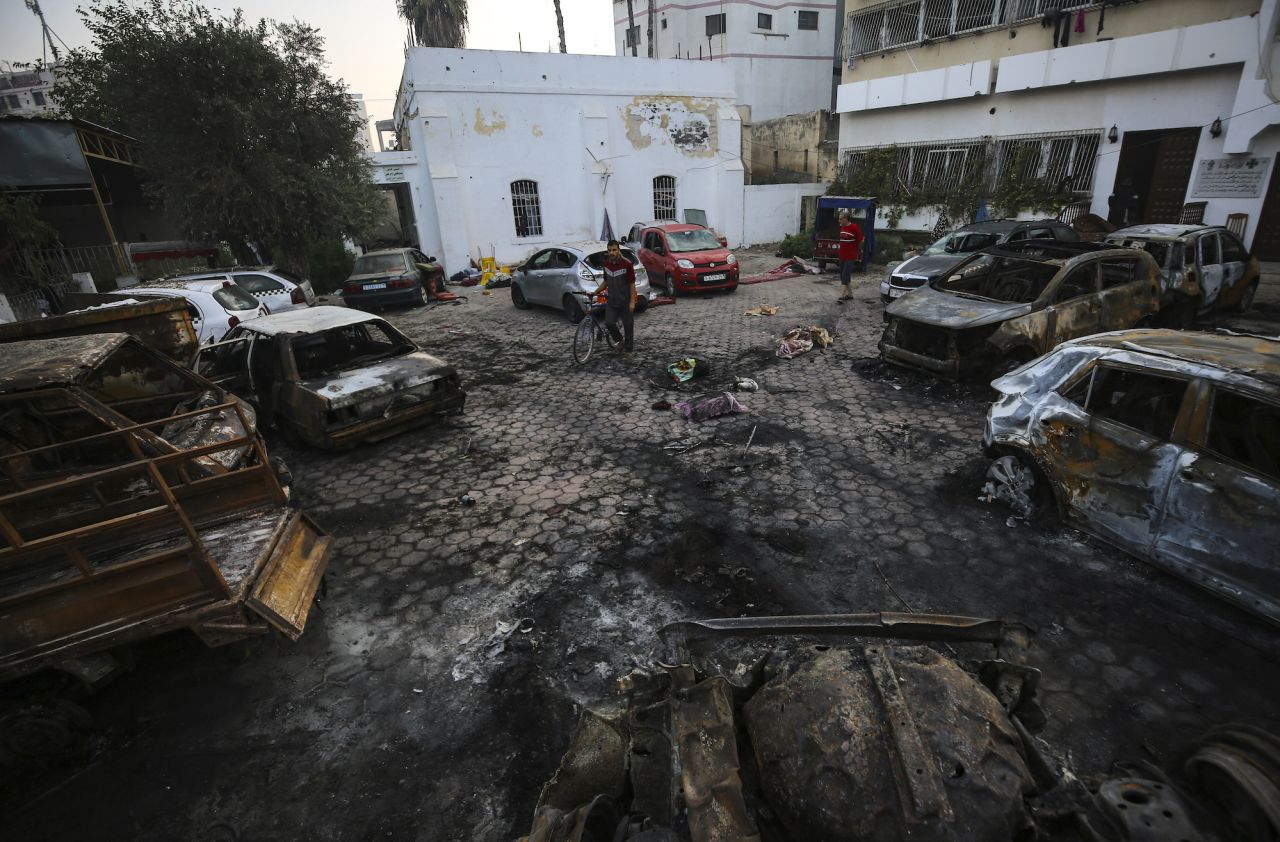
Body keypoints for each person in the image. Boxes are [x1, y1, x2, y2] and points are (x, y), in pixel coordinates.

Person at [592, 240, 637, 359]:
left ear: (618, 250)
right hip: (612, 301)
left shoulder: (627, 264)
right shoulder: (606, 264)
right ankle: (620, 340)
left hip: (625, 301)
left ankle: (628, 350)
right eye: (609, 250)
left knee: (628, 326)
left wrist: (632, 301)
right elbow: (606, 282)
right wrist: (596, 291)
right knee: (609, 323)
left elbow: (632, 284)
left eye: (614, 250)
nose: (611, 252)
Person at [837, 211, 864, 302]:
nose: (839, 220)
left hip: (850, 256)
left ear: (846, 219)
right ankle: (850, 294)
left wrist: (859, 251)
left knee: (845, 274)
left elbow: (860, 240)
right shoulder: (842, 227)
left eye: (841, 219)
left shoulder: (854, 227)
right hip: (842, 256)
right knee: (843, 275)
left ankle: (842, 295)